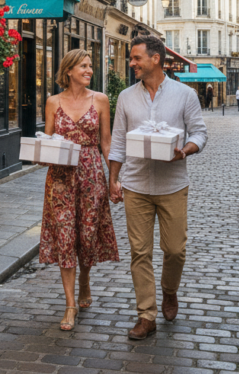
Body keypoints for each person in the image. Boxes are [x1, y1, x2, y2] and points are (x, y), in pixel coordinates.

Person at [108, 35, 208, 340]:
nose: (132, 63)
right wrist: (113, 179)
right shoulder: (126, 97)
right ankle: (146, 315)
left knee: (175, 250)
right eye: (131, 58)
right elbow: (119, 142)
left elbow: (200, 134)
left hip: (173, 184)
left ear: (156, 59)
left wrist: (185, 150)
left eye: (137, 58)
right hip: (136, 184)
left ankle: (169, 291)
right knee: (139, 252)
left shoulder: (185, 95)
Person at [39, 49, 119, 332]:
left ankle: (85, 279)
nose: (89, 70)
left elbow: (106, 143)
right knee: (65, 236)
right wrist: (40, 152)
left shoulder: (100, 100)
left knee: (86, 235)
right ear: (69, 70)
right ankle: (70, 304)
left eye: (90, 66)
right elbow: (47, 141)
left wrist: (114, 179)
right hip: (60, 177)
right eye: (83, 66)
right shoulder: (52, 102)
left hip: (91, 174)